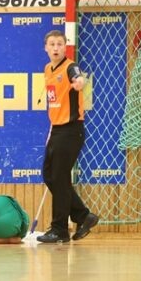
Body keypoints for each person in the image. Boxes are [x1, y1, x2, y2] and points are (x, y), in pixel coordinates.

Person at [38, 30, 99, 243]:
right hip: (57, 130)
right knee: (49, 175)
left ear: (65, 47)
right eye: (52, 44)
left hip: (71, 130)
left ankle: (60, 229)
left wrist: (79, 82)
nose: (56, 48)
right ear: (46, 48)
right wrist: (51, 131)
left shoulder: (70, 67)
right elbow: (56, 103)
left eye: (59, 44)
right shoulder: (48, 69)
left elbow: (78, 77)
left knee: (60, 177)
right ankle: (83, 215)